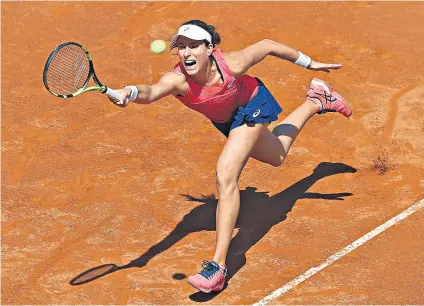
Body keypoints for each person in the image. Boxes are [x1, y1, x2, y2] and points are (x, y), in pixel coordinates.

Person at [109, 20, 352, 294]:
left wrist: (310, 63)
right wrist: (128, 92)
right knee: (277, 155)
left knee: (226, 174)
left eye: (193, 46)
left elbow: (267, 45)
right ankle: (318, 99)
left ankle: (218, 267)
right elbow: (150, 92)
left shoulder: (232, 64)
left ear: (209, 48)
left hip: (253, 104)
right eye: (181, 47)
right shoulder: (178, 80)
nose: (186, 53)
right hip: (229, 121)